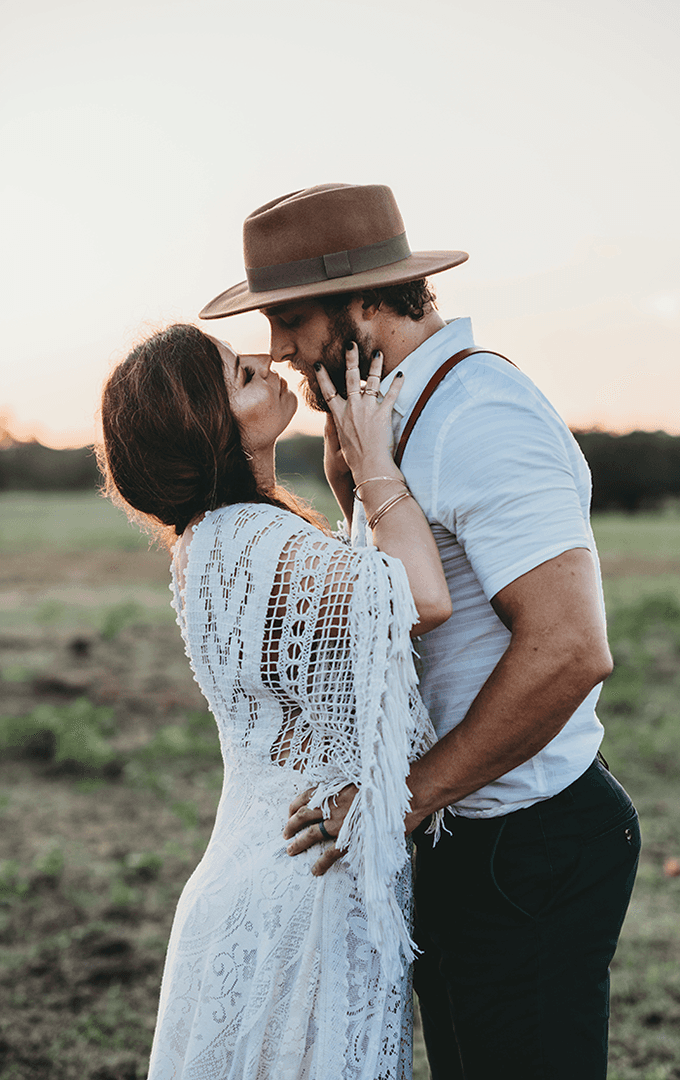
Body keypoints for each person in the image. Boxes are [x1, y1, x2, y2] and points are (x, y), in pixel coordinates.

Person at [199, 182, 642, 1080]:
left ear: (367, 299)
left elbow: (570, 648)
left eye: (291, 318)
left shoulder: (479, 413)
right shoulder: (392, 418)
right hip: (459, 829)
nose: (277, 348)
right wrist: (351, 483)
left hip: (528, 843)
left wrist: (400, 799)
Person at [98, 323, 453, 1080]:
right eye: (238, 374)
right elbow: (421, 596)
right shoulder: (257, 540)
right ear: (211, 426)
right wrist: (376, 463)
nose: (264, 361)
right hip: (304, 883)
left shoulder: (214, 539)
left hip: (262, 869)